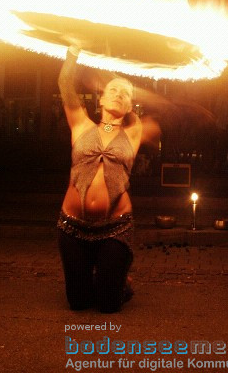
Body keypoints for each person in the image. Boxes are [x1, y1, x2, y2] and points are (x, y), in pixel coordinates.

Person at [57, 44, 158, 313]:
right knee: (78, 303)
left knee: (108, 306)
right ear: (100, 99)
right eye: (112, 91)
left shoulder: (133, 132)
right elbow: (65, 83)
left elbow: (133, 107)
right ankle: (102, 278)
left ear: (129, 106)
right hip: (72, 227)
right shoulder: (81, 124)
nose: (118, 94)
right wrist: (74, 51)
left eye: (125, 94)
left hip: (115, 228)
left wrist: (117, 79)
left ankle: (116, 280)